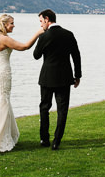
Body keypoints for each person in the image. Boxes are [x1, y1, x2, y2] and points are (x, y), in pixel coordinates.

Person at [0, 13, 43, 157]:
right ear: (4, 24)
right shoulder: (3, 38)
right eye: (12, 23)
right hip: (2, 72)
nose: (13, 25)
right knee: (2, 101)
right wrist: (38, 33)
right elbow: (24, 46)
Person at [32, 9, 81, 150]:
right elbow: (76, 56)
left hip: (47, 77)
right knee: (62, 110)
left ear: (47, 19)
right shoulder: (68, 34)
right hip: (65, 78)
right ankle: (56, 141)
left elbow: (36, 55)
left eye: (41, 21)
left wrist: (40, 38)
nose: (41, 25)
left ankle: (44, 139)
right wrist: (77, 76)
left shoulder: (44, 36)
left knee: (44, 108)